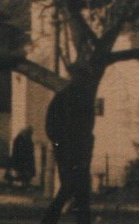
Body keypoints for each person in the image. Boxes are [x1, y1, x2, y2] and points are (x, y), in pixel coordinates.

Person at [40, 66, 97, 224]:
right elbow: (52, 125)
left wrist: (59, 143)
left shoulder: (72, 97)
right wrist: (60, 143)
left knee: (77, 188)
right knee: (72, 186)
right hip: (71, 150)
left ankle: (54, 220)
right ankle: (49, 220)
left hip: (75, 149)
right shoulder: (68, 98)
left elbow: (88, 126)